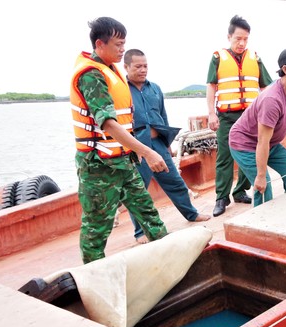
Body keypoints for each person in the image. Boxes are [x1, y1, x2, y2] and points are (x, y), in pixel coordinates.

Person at [70, 17, 168, 264]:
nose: (122, 49)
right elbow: (108, 124)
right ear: (100, 44)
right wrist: (148, 151)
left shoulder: (112, 69)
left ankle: (169, 257)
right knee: (96, 228)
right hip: (98, 167)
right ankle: (95, 276)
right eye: (118, 44)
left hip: (123, 161)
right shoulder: (91, 75)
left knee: (148, 213)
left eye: (124, 43)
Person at [123, 48, 211, 244]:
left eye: (145, 66)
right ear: (126, 67)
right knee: (137, 190)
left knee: (174, 181)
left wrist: (168, 144)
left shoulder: (155, 88)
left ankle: (191, 214)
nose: (143, 70)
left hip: (159, 143)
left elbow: (163, 117)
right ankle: (140, 232)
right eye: (138, 66)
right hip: (137, 148)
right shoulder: (121, 90)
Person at [229, 47, 286, 206]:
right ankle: (261, 225)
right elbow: (262, 141)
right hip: (245, 143)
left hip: (270, 144)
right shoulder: (271, 100)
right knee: (264, 187)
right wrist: (261, 176)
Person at [206, 15, 273, 217]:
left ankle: (240, 190)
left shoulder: (255, 57)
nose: (242, 43)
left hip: (251, 115)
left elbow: (266, 87)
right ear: (229, 37)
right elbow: (211, 86)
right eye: (238, 39)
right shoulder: (218, 57)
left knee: (250, 153)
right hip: (227, 116)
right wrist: (211, 113)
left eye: (245, 39)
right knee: (225, 156)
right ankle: (221, 197)